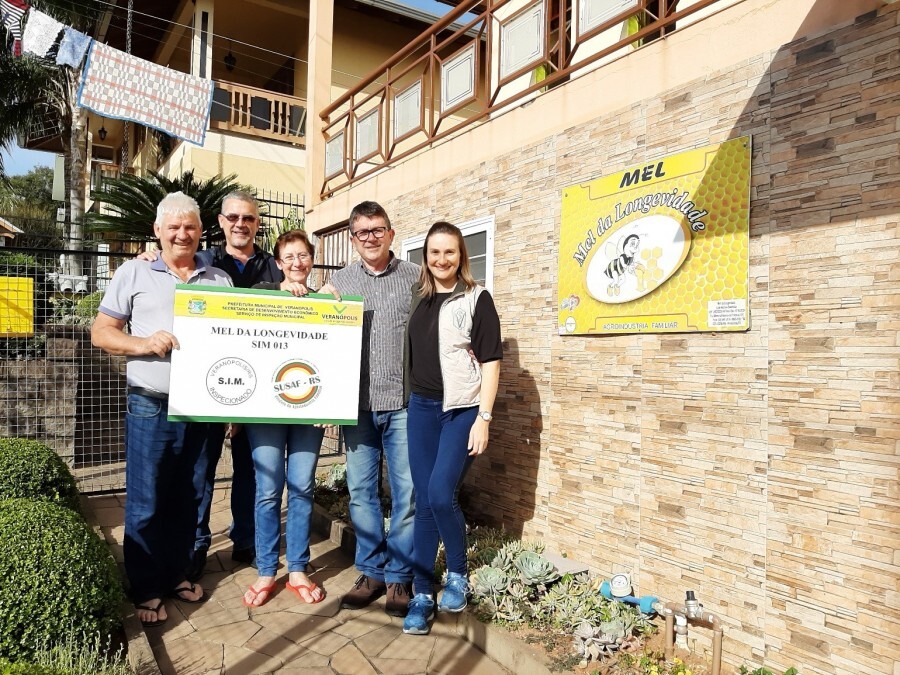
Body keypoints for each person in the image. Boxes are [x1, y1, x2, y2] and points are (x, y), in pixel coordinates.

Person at [91, 192, 233, 628]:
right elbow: (101, 332)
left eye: (189, 226)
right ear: (157, 231)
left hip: (204, 407)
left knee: (191, 495)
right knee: (147, 499)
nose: (181, 234)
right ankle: (147, 586)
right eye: (173, 227)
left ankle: (177, 575)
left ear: (201, 231)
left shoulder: (219, 279)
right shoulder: (133, 272)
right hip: (151, 403)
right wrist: (142, 343)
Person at [141, 190, 283, 579]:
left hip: (260, 390)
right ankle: (196, 545)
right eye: (233, 217)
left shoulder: (274, 267)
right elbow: (170, 260)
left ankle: (246, 540)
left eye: (248, 218)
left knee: (251, 468)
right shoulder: (204, 262)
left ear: (257, 224)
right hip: (209, 388)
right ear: (220, 222)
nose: (240, 224)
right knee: (200, 470)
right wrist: (149, 254)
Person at [400, 221, 502, 636]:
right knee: (424, 502)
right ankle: (423, 594)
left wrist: (484, 418)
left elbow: (492, 361)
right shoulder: (418, 296)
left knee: (442, 494)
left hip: (462, 410)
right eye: (434, 252)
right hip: (421, 409)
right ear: (425, 257)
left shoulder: (477, 298)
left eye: (450, 252)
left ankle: (458, 574)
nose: (442, 259)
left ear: (462, 256)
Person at [320, 201, 419, 617]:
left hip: (403, 405)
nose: (371, 238)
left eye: (378, 229)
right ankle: (371, 572)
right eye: (363, 232)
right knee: (361, 493)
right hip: (357, 407)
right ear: (352, 239)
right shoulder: (339, 283)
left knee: (406, 494)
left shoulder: (416, 277)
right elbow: (318, 336)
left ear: (391, 233)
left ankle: (399, 577)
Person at [241, 230, 327, 607]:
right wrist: (279, 292)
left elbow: (334, 355)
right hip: (266, 411)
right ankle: (265, 570)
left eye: (303, 255)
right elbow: (241, 313)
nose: (297, 263)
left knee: (303, 487)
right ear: (278, 263)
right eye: (289, 257)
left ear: (312, 259)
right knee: (268, 490)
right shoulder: (262, 293)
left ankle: (297, 569)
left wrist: (329, 301)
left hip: (308, 408)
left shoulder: (324, 301)